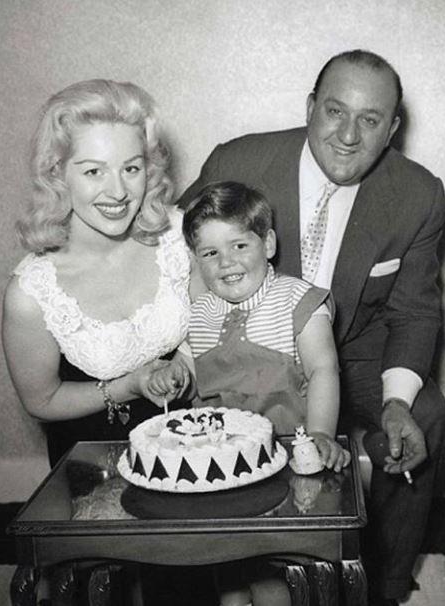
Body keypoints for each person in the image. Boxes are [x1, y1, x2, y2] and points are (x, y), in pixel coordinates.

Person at [177, 50, 445, 605]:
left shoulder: (419, 194)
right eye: (334, 111)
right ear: (309, 108)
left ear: (393, 128)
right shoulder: (241, 160)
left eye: (371, 120)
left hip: (357, 352)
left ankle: (389, 584)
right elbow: (176, 254)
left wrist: (397, 403)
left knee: (425, 417)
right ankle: (209, 570)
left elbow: (415, 311)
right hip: (252, 342)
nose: (349, 135)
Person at [150, 181, 350, 606]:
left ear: (269, 243)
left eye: (239, 245)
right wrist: (171, 374)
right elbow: (186, 368)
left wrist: (321, 432)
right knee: (227, 568)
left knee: (272, 570)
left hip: (286, 456)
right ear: (196, 260)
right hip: (218, 461)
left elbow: (323, 370)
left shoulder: (297, 300)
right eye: (209, 253)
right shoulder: (196, 314)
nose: (226, 262)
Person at [2, 79, 191, 469]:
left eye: (131, 168)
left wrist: (185, 368)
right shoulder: (32, 293)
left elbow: (219, 333)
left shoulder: (180, 237)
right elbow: (41, 401)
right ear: (57, 174)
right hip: (96, 467)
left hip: (198, 446)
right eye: (94, 172)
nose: (119, 191)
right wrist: (128, 386)